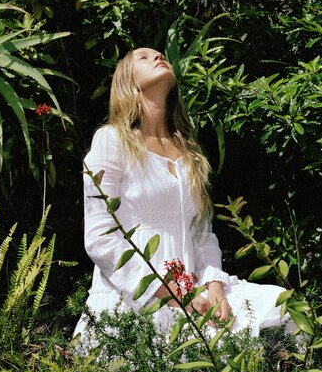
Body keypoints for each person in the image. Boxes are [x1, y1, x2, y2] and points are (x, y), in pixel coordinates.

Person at [73, 47, 291, 347]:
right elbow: (99, 237)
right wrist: (174, 292)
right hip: (138, 295)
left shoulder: (189, 153)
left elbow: (200, 234)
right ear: (127, 80)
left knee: (285, 305)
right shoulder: (111, 140)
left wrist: (214, 285)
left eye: (161, 54)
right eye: (144, 57)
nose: (158, 57)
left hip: (197, 290)